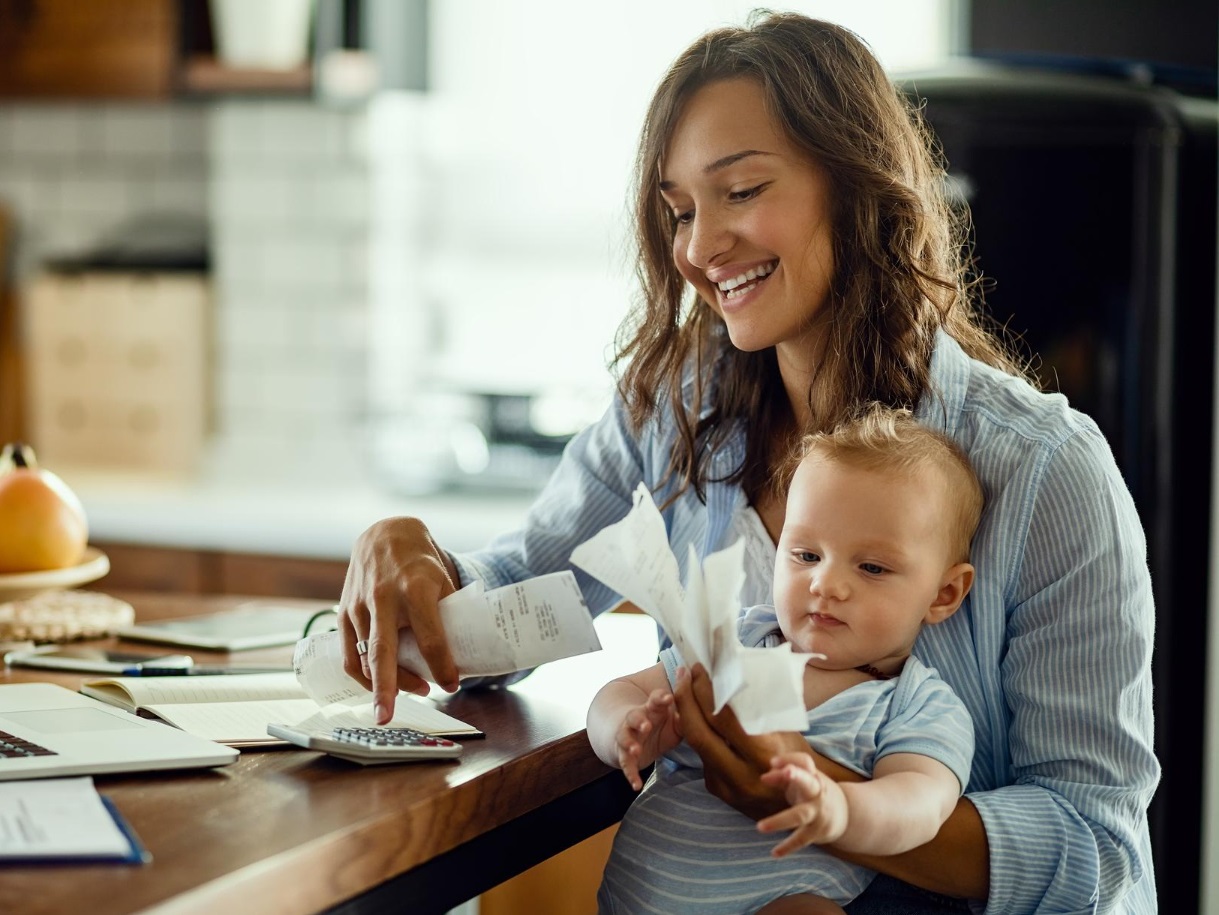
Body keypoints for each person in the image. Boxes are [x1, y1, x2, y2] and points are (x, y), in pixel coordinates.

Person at [337, 12, 1159, 912]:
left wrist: (826, 798)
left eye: (740, 191)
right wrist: (417, 568)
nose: (697, 248)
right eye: (680, 211)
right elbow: (525, 603)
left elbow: (1096, 849)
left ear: (855, 186)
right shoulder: (671, 412)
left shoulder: (1044, 470)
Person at [587, 406, 981, 915]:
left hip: (776, 903)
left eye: (872, 567)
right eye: (806, 555)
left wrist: (843, 808)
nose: (825, 584)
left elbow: (921, 804)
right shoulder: (742, 642)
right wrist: (627, 726)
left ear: (944, 593)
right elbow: (621, 692)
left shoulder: (915, 706)